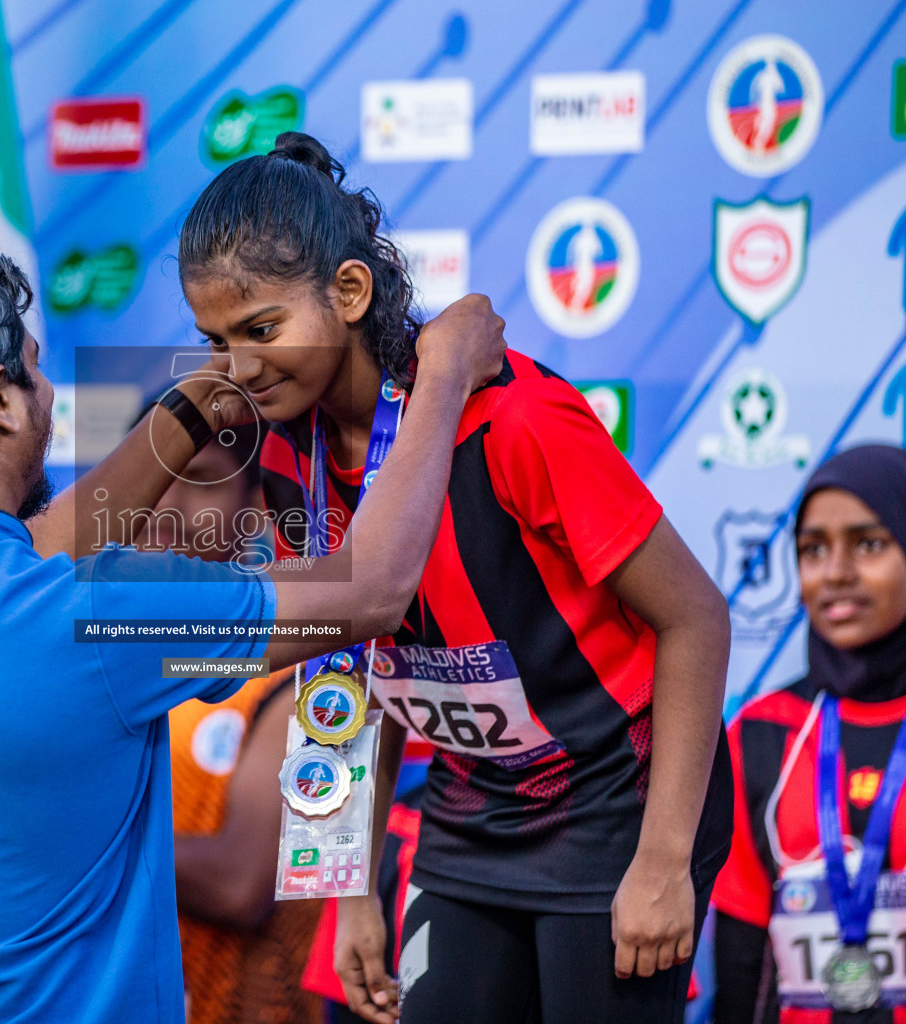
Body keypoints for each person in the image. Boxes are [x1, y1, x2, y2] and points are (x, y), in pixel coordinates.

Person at [0, 228, 508, 1024]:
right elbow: (370, 591)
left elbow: (21, 556)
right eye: (36, 367)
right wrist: (443, 376)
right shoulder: (94, 616)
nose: (49, 392)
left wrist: (192, 409)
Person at [177, 132, 734, 1024]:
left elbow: (697, 619)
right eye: (215, 340)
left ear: (350, 293)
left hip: (617, 807)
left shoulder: (516, 420)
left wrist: (665, 861)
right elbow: (347, 664)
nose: (238, 368)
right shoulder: (285, 451)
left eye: (262, 329)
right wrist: (348, 886)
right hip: (473, 811)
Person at [712, 444, 906, 1024]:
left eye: (868, 544)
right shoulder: (762, 731)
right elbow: (742, 960)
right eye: (813, 549)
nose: (835, 573)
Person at [134, 413, 322, 1024]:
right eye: (153, 476)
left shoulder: (301, 667)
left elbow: (243, 882)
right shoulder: (96, 644)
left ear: (256, 508)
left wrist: (63, 838)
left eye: (202, 479)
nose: (167, 503)